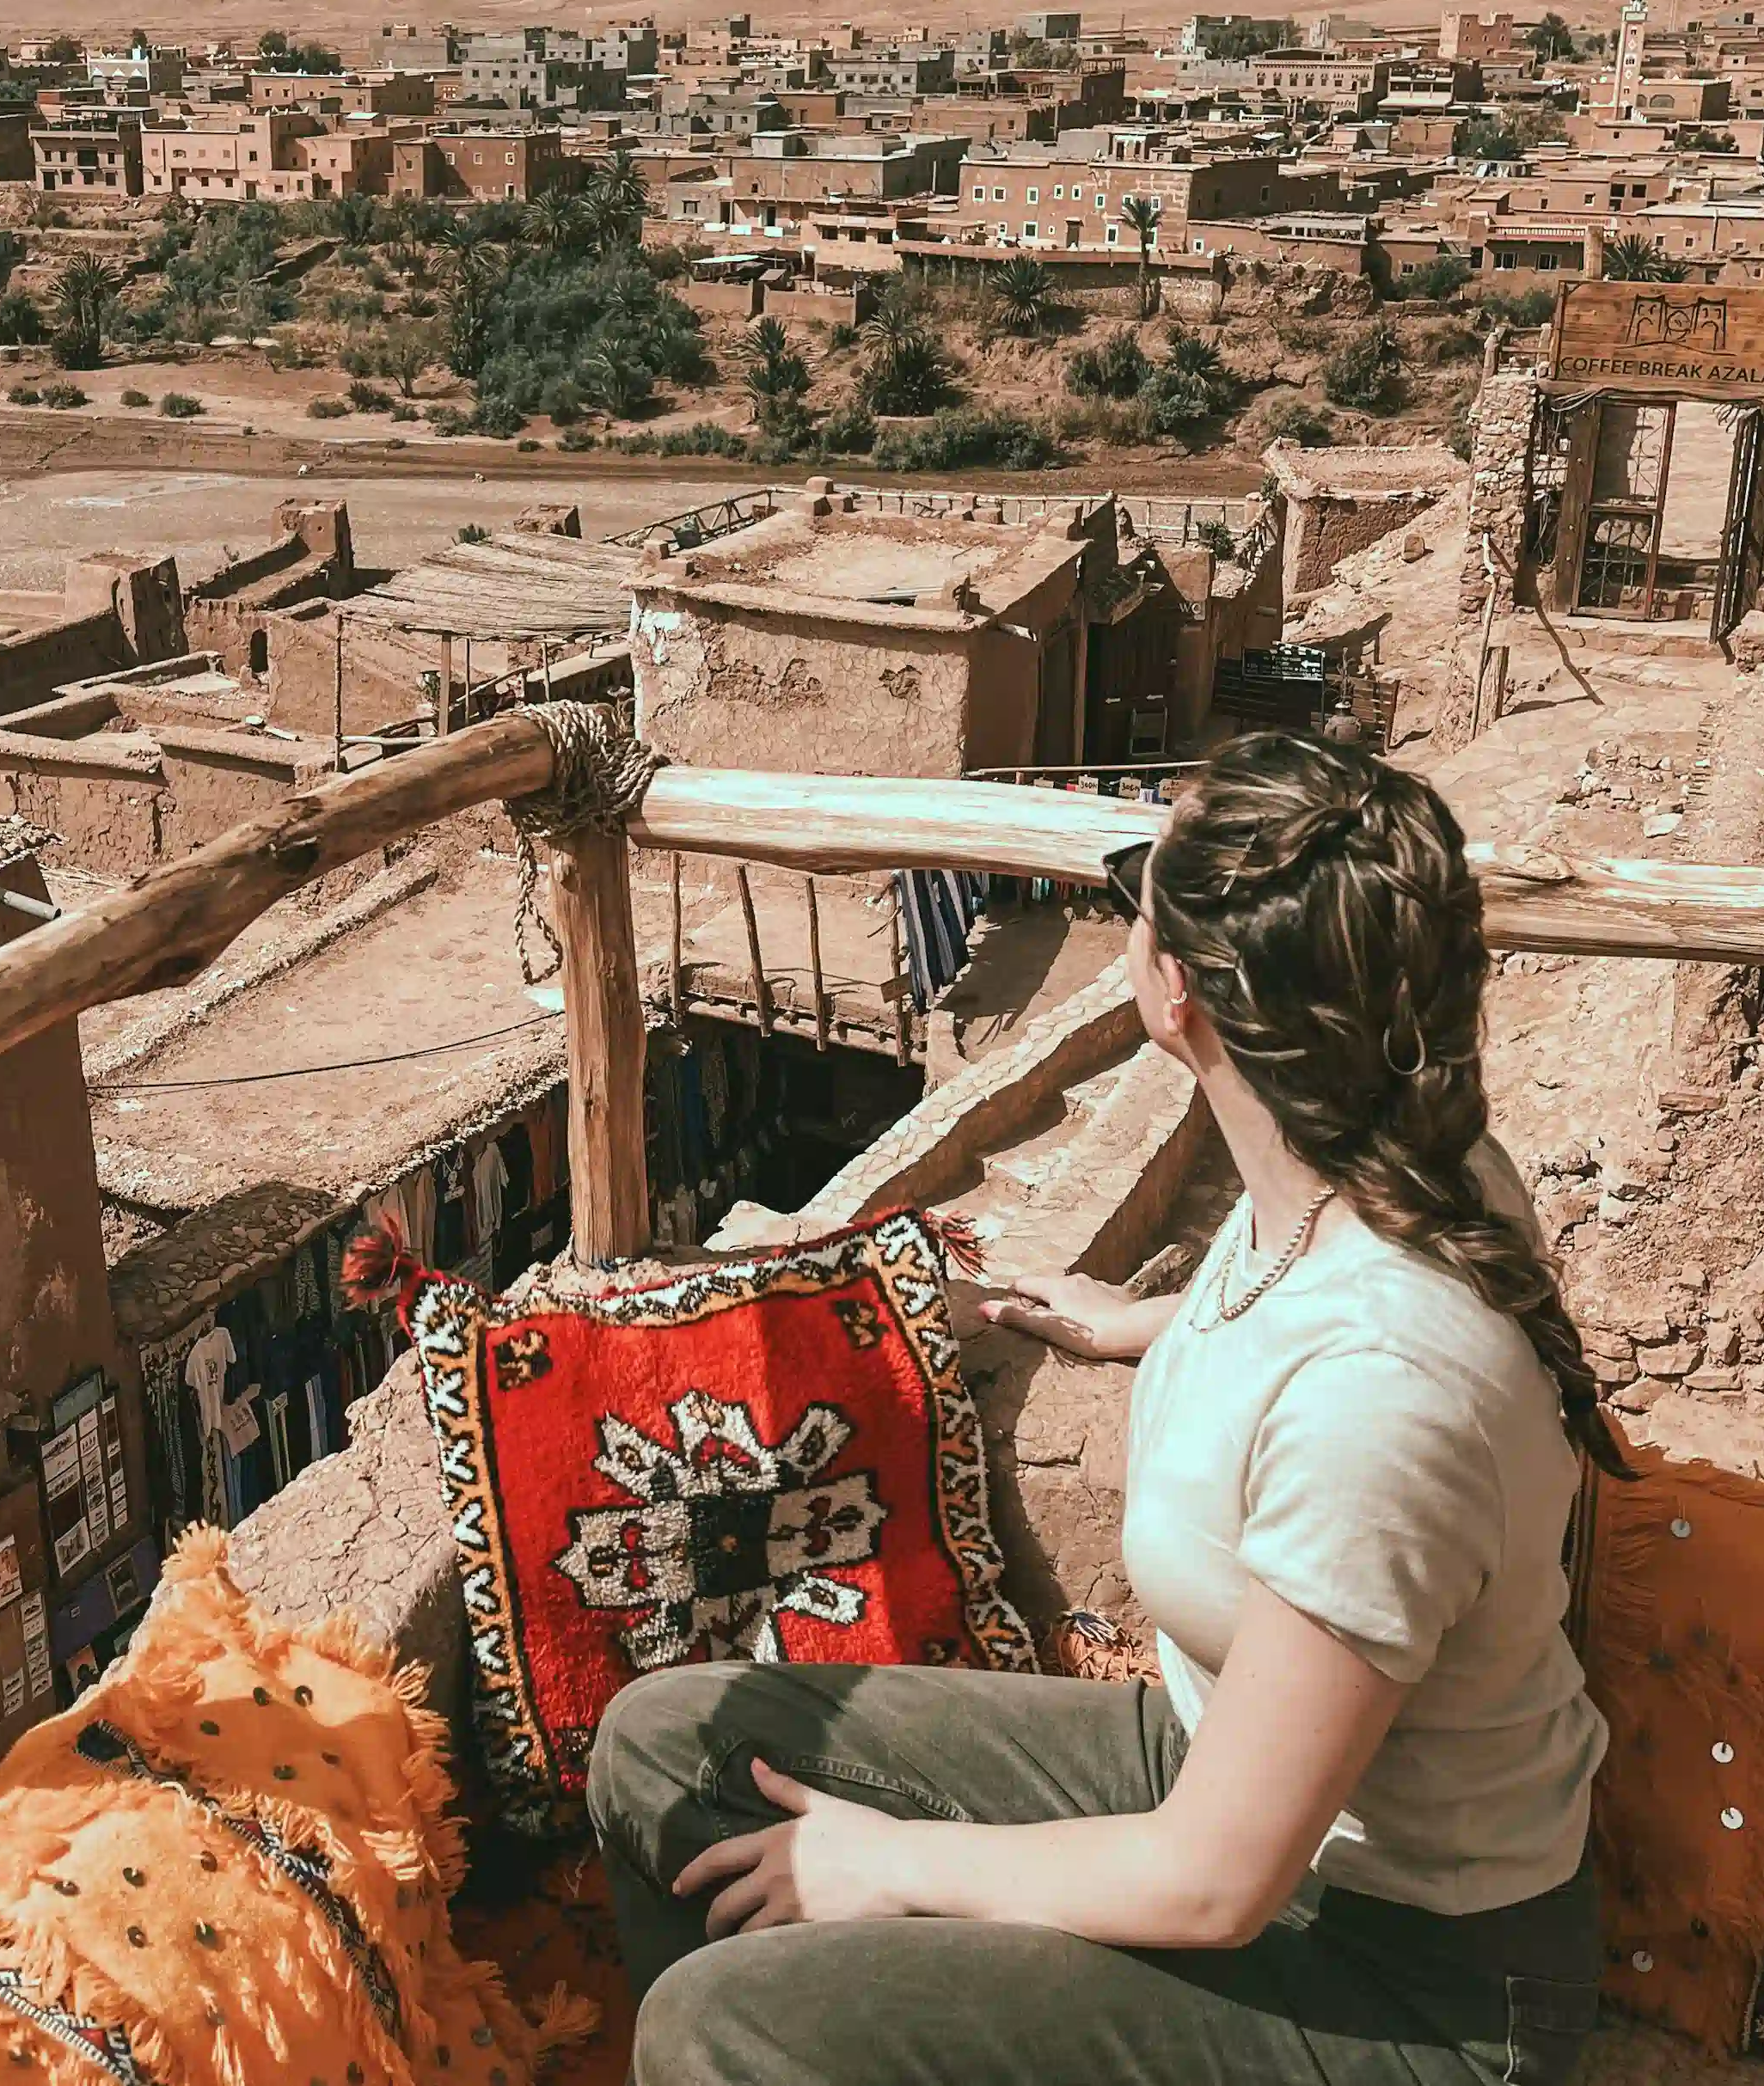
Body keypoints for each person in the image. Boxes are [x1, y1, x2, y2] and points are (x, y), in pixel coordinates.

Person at [587, 731, 1615, 2086]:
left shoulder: (1383, 1398)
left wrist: (886, 1862)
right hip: (1218, 1772)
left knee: (720, 2029)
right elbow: (1297, 1299)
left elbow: (1213, 1882)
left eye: (1139, 891)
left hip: (1407, 1980)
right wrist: (1148, 1321)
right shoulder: (1372, 1146)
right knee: (662, 1751)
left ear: (1175, 986)